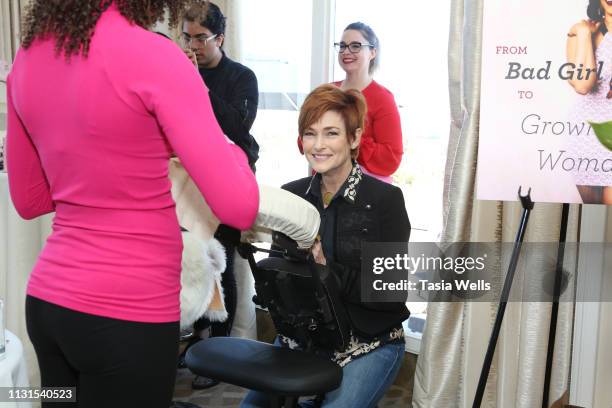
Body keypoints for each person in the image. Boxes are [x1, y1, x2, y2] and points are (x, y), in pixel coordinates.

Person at [6, 1, 259, 408]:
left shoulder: (28, 56)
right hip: (126, 315)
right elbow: (240, 207)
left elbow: (29, 199)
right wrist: (234, 154)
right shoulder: (154, 56)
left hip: (50, 308)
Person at [242, 84, 410, 408]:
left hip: (370, 342)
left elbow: (390, 294)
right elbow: (279, 280)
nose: (318, 145)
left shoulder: (384, 200)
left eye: (331, 133)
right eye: (310, 133)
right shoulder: (291, 196)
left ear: (355, 138)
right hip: (305, 338)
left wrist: (324, 268)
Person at [179, 2, 260, 390]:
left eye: (201, 38)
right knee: (193, 258)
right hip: (187, 180)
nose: (193, 45)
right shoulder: (177, 72)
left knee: (222, 261)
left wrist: (197, 85)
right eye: (188, 37)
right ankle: (198, 337)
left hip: (228, 178)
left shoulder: (242, 77)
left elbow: (237, 125)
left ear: (220, 38)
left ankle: (223, 349)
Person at [298, 22, 403, 183]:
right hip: (322, 185)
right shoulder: (326, 91)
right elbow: (302, 140)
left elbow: (391, 159)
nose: (346, 51)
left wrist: (348, 138)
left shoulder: (383, 98)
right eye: (342, 46)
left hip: (364, 192)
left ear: (372, 52)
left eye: (355, 46)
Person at [566, 0, 612, 203]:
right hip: (585, 135)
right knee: (593, 212)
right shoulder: (581, 32)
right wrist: (585, 35)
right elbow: (582, 85)